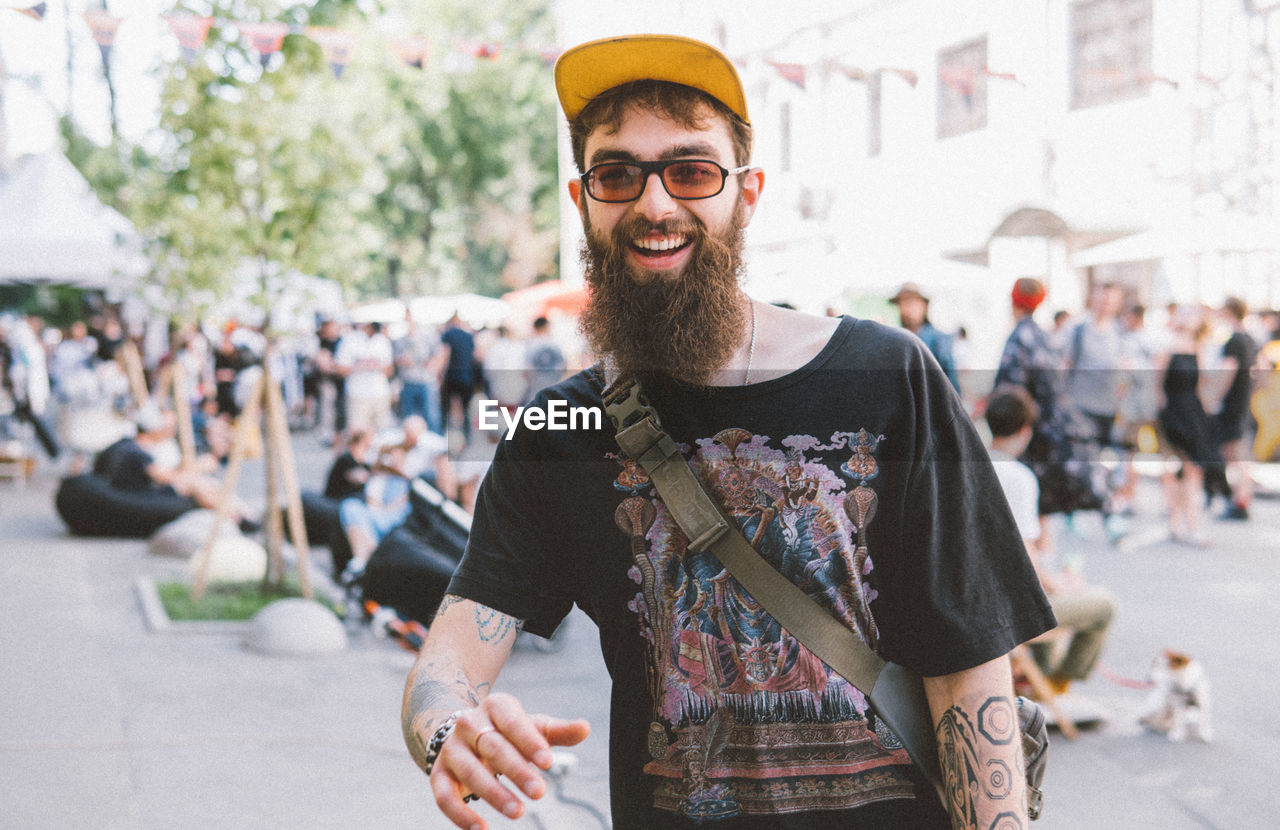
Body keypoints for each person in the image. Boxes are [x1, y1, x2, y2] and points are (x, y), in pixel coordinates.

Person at [402, 34, 1054, 830]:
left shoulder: (888, 375)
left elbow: (971, 671)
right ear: (583, 203)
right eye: (616, 174)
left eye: (691, 170)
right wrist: (446, 732)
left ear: (746, 194)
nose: (654, 203)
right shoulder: (558, 430)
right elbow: (450, 661)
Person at [985, 386, 1115, 694]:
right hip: (1011, 609)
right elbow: (1026, 557)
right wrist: (1059, 584)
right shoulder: (1018, 478)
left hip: (975, 600)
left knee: (1046, 598)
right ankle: (1056, 682)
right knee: (1105, 605)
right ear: (1025, 430)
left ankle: (1037, 678)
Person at [1156, 307, 1225, 547]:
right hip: (1174, 414)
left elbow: (1202, 387)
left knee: (1189, 470)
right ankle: (1189, 526)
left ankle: (1179, 523)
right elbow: (1158, 387)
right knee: (1187, 469)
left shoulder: (1200, 348)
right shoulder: (1167, 347)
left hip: (1193, 413)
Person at [1207, 297, 1258, 520]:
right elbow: (1260, 370)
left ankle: (1240, 500)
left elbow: (1227, 371)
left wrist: (1212, 398)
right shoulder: (1249, 339)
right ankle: (1240, 498)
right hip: (1242, 401)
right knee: (1234, 452)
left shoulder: (1234, 340)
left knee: (1236, 453)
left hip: (1231, 405)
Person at [888, 281, 960, 391]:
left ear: (924, 306)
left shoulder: (939, 340)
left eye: (912, 302)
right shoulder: (894, 340)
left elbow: (951, 384)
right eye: (903, 303)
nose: (907, 309)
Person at [335, 321, 395, 434]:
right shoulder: (350, 339)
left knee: (382, 432)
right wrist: (359, 366)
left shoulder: (382, 340)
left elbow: (389, 370)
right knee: (358, 434)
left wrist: (377, 366)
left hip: (380, 393)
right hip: (358, 394)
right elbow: (339, 369)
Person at [439, 313, 477, 441]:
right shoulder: (468, 336)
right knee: (465, 410)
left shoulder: (447, 335)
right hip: (466, 377)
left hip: (451, 376)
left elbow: (445, 355)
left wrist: (440, 374)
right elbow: (474, 356)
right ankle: (467, 436)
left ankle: (443, 434)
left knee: (446, 409)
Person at [523, 316, 567, 402]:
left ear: (535, 328)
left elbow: (526, 372)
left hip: (535, 393)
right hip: (553, 391)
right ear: (547, 327)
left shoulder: (529, 344)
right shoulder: (555, 343)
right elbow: (563, 368)